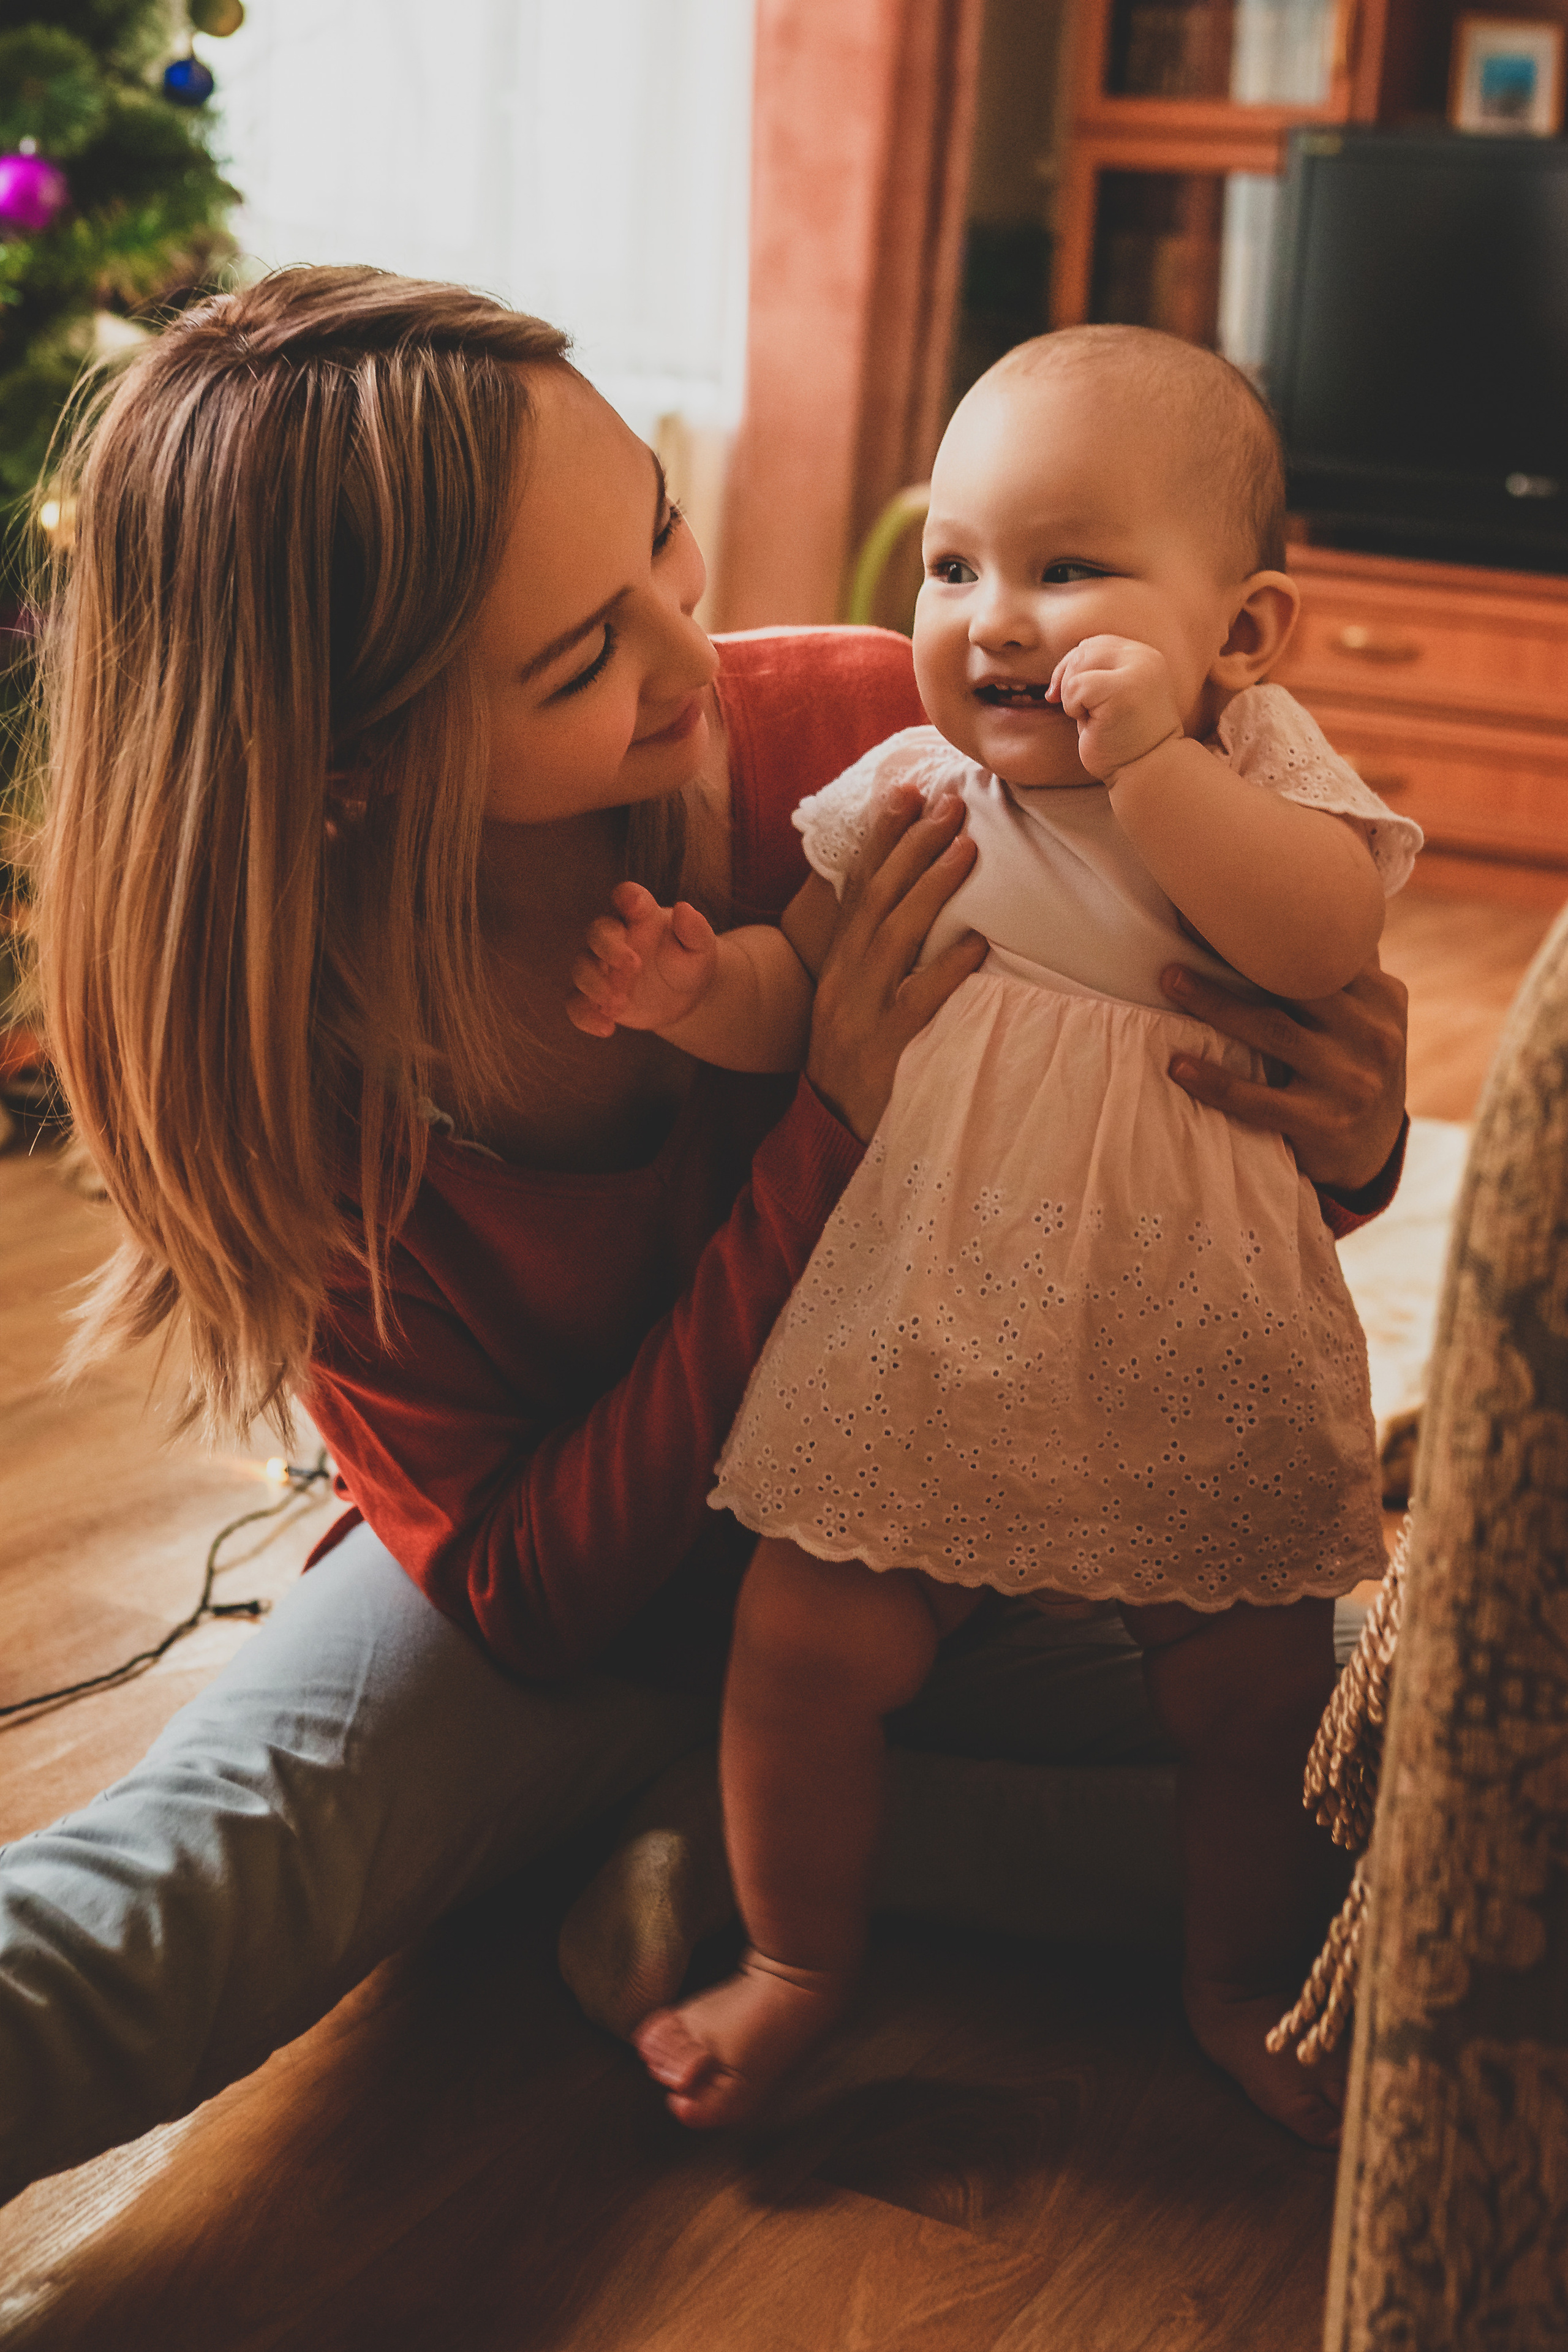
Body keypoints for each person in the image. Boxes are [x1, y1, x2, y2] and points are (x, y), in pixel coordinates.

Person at [1, 273, 1408, 2207]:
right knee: (158, 1909)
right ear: (355, 765)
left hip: (960, 1520)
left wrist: (1353, 1133)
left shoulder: (878, 732)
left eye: (661, 532)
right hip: (549, 1641)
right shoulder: (278, 1052)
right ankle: (749, 1836)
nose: (697, 649)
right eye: (588, 650)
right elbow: (529, 1597)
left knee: (1443, 1782)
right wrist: (823, 1132)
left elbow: (1163, 1158)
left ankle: (747, 1843)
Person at [568, 327, 1421, 2146]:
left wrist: (1158, 768)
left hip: (1189, 1329)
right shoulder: (915, 791)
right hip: (936, 1320)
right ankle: (797, 1960)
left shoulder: (1257, 768)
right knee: (803, 1649)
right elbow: (807, 992)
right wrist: (696, 991)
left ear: (1245, 633)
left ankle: (1239, 1982)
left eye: (1068, 567)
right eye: (956, 567)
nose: (996, 619)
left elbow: (1321, 942)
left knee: (1257, 1699)